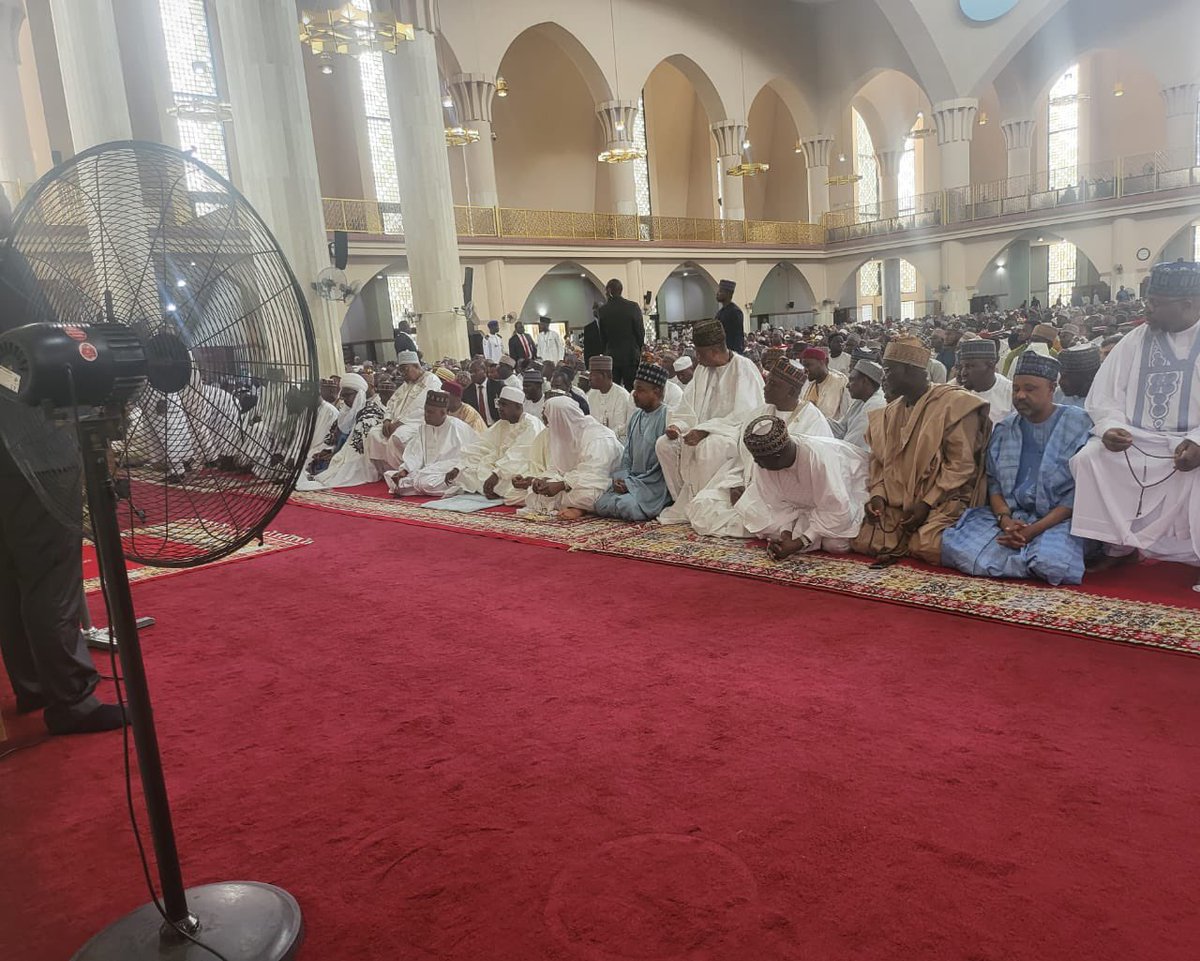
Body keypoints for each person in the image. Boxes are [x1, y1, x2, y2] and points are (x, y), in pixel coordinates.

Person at [0, 207, 127, 735]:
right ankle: (71, 699)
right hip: (31, 443)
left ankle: (32, 685)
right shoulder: (7, 262)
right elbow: (45, 350)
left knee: (8, 576)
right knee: (51, 576)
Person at [1070, 261, 1200, 588]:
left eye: (1156, 303)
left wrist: (1199, 441)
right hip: (1140, 440)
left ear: (1188, 304)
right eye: (1148, 300)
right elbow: (1105, 396)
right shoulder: (1135, 340)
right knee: (1091, 458)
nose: (1148, 309)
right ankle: (1118, 546)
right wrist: (1110, 427)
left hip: (1192, 444)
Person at [942, 352, 1096, 585]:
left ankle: (1026, 553)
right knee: (955, 548)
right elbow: (993, 483)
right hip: (1013, 515)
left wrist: (1033, 530)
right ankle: (1021, 554)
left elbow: (1078, 493)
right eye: (1016, 389)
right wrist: (1006, 521)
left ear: (1051, 388)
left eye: (1030, 389)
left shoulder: (1079, 423)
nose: (1020, 395)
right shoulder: (1005, 428)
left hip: (1058, 518)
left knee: (1052, 564)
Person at [851, 337, 991, 566]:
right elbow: (878, 460)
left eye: (888, 370)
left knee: (926, 545)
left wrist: (926, 503)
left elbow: (961, 465)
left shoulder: (955, 404)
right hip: (899, 501)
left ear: (908, 369)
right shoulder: (889, 413)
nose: (883, 377)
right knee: (864, 540)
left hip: (943, 499)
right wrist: (878, 495)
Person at [687, 357, 832, 538]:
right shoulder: (760, 413)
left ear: (792, 391)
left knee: (773, 523)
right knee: (703, 505)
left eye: (774, 384)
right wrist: (738, 485)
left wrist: (754, 495)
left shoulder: (812, 420)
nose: (766, 387)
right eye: (768, 381)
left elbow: (811, 474)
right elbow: (744, 458)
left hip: (786, 497)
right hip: (751, 486)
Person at [655, 319, 765, 524]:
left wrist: (706, 431)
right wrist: (676, 426)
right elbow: (687, 408)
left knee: (709, 447)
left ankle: (705, 504)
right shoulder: (702, 370)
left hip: (733, 436)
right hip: (698, 432)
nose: (697, 358)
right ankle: (685, 502)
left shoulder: (744, 368)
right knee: (664, 445)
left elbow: (747, 415)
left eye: (701, 353)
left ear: (715, 350)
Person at [736, 415, 870, 561]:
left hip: (850, 495)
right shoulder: (765, 460)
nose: (759, 465)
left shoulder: (817, 460)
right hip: (808, 509)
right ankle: (812, 539)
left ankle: (814, 540)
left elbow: (838, 509)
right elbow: (778, 505)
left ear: (778, 456)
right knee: (761, 521)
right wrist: (785, 535)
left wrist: (800, 542)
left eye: (761, 461)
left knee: (836, 545)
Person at [517, 396, 623, 519]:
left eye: (548, 419)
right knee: (535, 493)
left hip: (603, 485)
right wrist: (542, 480)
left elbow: (595, 476)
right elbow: (557, 468)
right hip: (574, 483)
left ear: (559, 418)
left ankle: (580, 508)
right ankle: (573, 506)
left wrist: (562, 485)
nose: (546, 424)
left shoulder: (597, 436)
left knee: (587, 496)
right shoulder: (562, 434)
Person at [593, 363, 672, 521]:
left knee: (627, 506)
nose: (634, 394)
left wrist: (631, 484)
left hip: (653, 485)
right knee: (600, 504)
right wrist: (622, 478)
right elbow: (627, 454)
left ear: (656, 392)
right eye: (635, 389)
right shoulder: (636, 416)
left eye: (640, 390)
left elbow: (663, 466)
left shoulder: (667, 416)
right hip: (632, 480)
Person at [449, 385, 544, 501]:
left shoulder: (531, 424)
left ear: (518, 406)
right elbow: (482, 445)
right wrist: (459, 467)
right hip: (498, 467)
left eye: (504, 405)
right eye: (499, 404)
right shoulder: (502, 423)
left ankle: (492, 488)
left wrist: (496, 474)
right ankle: (492, 488)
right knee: (465, 473)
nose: (500, 408)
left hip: (520, 468)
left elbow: (518, 456)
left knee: (513, 486)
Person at [297, 373, 387, 490]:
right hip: (341, 453)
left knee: (338, 470)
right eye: (342, 396)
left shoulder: (370, 412)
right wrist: (328, 451)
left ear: (358, 394)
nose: (344, 400)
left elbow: (358, 447)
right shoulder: (345, 412)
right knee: (312, 459)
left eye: (347, 395)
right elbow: (332, 439)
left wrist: (335, 455)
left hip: (359, 459)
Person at [384, 391, 478, 496]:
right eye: (425, 411)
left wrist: (456, 468)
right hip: (428, 471)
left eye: (430, 412)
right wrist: (405, 470)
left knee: (426, 483)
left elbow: (470, 455)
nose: (426, 415)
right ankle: (416, 485)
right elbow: (415, 454)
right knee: (391, 476)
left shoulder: (458, 428)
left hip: (451, 470)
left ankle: (456, 487)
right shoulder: (424, 428)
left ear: (443, 413)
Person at [364, 350, 440, 471]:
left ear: (416, 366)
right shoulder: (406, 384)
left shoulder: (431, 380)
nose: (402, 374)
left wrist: (400, 423)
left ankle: (405, 471)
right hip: (396, 422)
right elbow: (392, 402)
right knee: (374, 434)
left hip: (419, 423)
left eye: (405, 369)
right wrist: (387, 420)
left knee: (398, 437)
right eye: (401, 370)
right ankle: (385, 471)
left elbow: (421, 407)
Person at [826, 358, 885, 451]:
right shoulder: (861, 400)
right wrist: (814, 416)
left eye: (852, 380)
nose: (847, 385)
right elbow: (840, 430)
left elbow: (852, 447)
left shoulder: (876, 405)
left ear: (865, 382)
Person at [597, 278, 645, 390]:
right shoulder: (632, 307)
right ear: (621, 290)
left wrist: (605, 351)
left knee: (615, 389)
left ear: (608, 290)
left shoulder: (603, 310)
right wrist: (638, 348)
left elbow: (602, 337)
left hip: (612, 355)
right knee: (632, 388)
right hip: (631, 355)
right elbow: (640, 332)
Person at [957, 338, 1013, 425]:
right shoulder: (956, 392)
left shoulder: (1010, 393)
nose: (963, 373)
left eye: (970, 366)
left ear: (991, 365)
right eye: (962, 366)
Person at [586, 355, 635, 440]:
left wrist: (601, 438)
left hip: (615, 442)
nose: (589, 378)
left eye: (592, 374)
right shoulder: (590, 394)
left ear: (604, 375)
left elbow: (621, 428)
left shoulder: (622, 396)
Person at [800, 347, 848, 420]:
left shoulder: (839, 381)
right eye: (803, 366)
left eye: (808, 365)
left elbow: (845, 414)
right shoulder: (808, 384)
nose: (805, 370)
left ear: (824, 362)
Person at [1054, 342, 1102, 409]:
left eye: (1066, 377)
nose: (1060, 382)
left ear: (1089, 377)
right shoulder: (1058, 395)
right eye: (1061, 375)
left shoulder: (1104, 402)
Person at [714, 279, 745, 354]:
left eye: (721, 291)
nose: (717, 293)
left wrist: (735, 355)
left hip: (732, 353)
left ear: (728, 293)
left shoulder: (735, 312)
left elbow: (738, 336)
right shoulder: (720, 313)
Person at [462, 360, 495, 427]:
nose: (472, 374)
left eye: (475, 371)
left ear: (485, 370)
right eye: (470, 372)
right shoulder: (467, 392)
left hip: (495, 425)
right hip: (478, 428)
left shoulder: (497, 386)